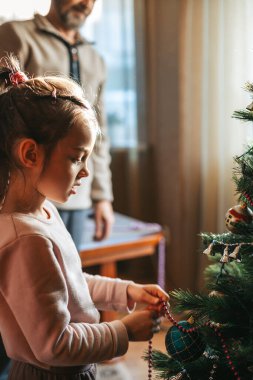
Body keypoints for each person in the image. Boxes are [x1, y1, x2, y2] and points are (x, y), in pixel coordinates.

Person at [0, 56, 169, 380]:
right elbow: (55, 345)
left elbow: (69, 283)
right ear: (30, 154)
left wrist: (126, 291)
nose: (86, 171)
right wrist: (122, 331)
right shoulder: (27, 239)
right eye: (77, 158)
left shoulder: (43, 212)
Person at [0, 0, 115, 250]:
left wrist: (102, 196)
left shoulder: (95, 59)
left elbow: (100, 133)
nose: (85, 3)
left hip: (76, 196)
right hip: (19, 194)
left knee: (68, 273)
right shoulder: (16, 35)